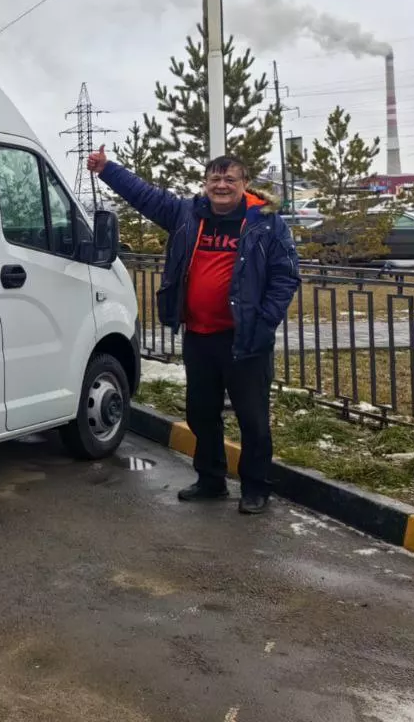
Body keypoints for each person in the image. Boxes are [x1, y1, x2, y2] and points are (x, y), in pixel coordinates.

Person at [87, 145, 300, 515]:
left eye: (230, 178)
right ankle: (211, 479)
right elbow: (145, 196)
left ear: (245, 184)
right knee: (201, 412)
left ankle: (255, 487)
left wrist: (265, 320)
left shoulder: (266, 222)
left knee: (252, 418)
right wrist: (107, 169)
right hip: (200, 335)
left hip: (246, 338)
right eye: (215, 178)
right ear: (205, 183)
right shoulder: (187, 214)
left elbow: (285, 277)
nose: (221, 185)